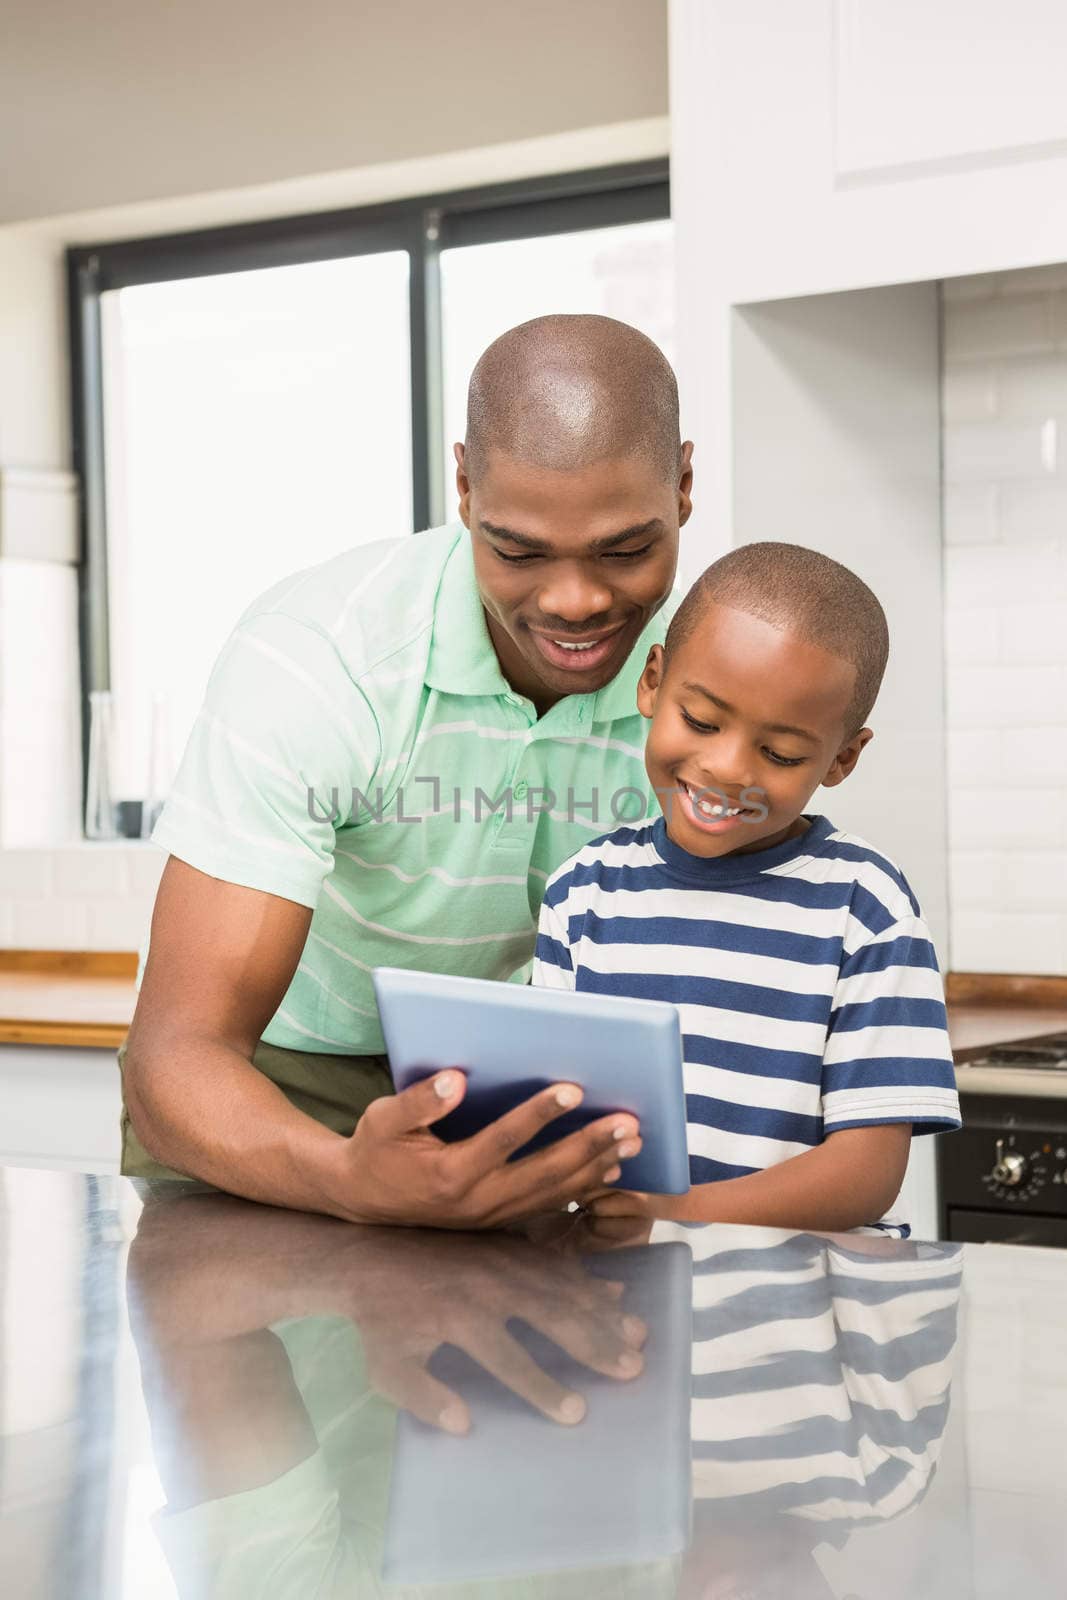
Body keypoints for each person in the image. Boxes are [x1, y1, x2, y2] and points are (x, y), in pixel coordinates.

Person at [121, 313, 693, 1225]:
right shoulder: (322, 660)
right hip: (281, 1086)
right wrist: (348, 1177)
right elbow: (177, 1054)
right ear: (463, 488)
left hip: (537, 1084)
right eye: (517, 550)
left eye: (625, 550)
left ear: (684, 489)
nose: (576, 602)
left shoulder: (707, 682)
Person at [532, 541, 962, 1233]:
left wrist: (677, 1214)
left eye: (780, 754)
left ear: (841, 758)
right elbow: (552, 1116)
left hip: (804, 1315)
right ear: (651, 683)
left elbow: (865, 1173)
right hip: (630, 1305)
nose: (727, 767)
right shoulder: (581, 894)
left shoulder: (865, 907)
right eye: (700, 721)